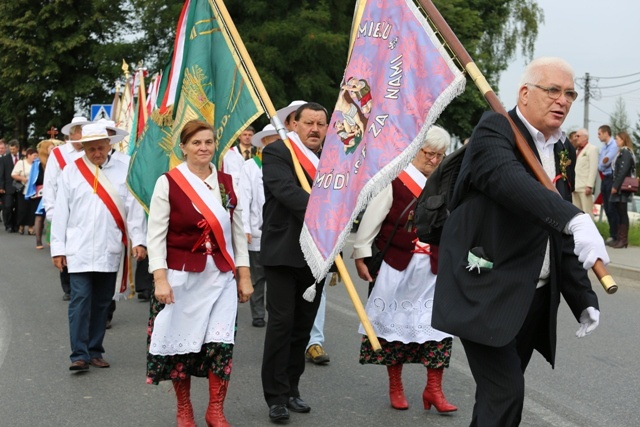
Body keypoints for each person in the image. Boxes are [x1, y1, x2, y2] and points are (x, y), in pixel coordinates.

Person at [432, 57, 607, 426]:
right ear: (524, 93)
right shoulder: (494, 129)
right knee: (505, 393)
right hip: (487, 289)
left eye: (570, 93)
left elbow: (558, 238)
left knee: (495, 399)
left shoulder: (562, 150)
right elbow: (506, 179)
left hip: (534, 296)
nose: (563, 100)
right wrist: (573, 217)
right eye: (553, 90)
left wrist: (582, 298)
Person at [146, 120, 252, 427]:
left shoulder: (227, 182)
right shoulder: (169, 182)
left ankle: (215, 410)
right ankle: (184, 409)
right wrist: (160, 278)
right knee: (183, 346)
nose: (203, 148)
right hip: (182, 277)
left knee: (221, 345)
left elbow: (237, 232)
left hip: (220, 277)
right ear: (183, 147)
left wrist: (244, 276)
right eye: (196, 143)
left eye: (208, 142)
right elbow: (156, 235)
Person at [353, 125, 457, 412]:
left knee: (438, 327)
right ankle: (396, 386)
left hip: (433, 269)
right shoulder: (395, 179)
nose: (435, 160)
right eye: (429, 153)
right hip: (397, 267)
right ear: (415, 151)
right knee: (393, 329)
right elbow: (373, 218)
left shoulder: (445, 184)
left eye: (440, 155)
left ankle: (434, 389)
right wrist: (362, 254)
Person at [51, 123, 147, 372]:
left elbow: (134, 210)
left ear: (109, 146)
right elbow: (61, 212)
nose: (96, 153)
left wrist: (139, 240)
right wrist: (58, 248)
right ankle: (79, 355)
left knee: (102, 303)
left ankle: (95, 350)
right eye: (91, 148)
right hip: (79, 249)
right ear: (82, 148)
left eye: (101, 147)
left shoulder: (124, 169)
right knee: (80, 300)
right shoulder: (71, 172)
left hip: (110, 246)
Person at [260, 102, 328, 422]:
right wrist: (324, 210)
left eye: (321, 124)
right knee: (281, 324)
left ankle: (291, 389)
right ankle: (275, 396)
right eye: (309, 123)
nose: (315, 129)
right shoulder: (277, 152)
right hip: (283, 252)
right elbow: (285, 190)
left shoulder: (331, 161)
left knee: (302, 326)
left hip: (317, 255)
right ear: (294, 124)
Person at [43, 116, 88, 301]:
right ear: (73, 133)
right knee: (66, 246)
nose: (84, 135)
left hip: (83, 208)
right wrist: (51, 211)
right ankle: (68, 286)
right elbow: (50, 184)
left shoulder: (90, 152)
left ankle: (83, 283)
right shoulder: (59, 154)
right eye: (81, 131)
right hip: (63, 209)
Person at [239, 124, 279, 328]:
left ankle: (275, 313)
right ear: (263, 142)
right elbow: (243, 199)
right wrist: (244, 226)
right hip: (257, 231)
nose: (277, 143)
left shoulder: (284, 165)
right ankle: (257, 315)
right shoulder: (251, 167)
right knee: (258, 276)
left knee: (276, 278)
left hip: (278, 232)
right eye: (273, 139)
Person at [25, 140, 56, 248]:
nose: (53, 150)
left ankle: (52, 240)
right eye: (51, 148)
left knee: (54, 216)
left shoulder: (56, 160)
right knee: (39, 216)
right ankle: (38, 241)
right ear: (45, 150)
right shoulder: (37, 163)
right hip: (40, 193)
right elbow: (35, 179)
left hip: (54, 191)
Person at [609, 131, 636, 249]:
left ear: (623, 140)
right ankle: (620, 238)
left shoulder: (625, 152)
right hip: (620, 187)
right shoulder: (621, 152)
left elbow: (623, 171)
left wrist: (616, 186)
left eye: (617, 139)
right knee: (619, 212)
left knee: (622, 213)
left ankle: (623, 239)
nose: (616, 141)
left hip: (622, 188)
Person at [598, 124, 620, 244]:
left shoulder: (613, 146)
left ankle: (615, 236)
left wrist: (602, 164)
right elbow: (601, 162)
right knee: (606, 207)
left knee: (612, 208)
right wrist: (602, 163)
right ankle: (613, 235)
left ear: (606, 133)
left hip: (611, 177)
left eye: (599, 133)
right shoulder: (604, 147)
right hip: (605, 178)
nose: (598, 136)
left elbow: (606, 161)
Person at [572, 128, 599, 219]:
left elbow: (593, 168)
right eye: (576, 136)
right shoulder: (576, 151)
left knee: (587, 212)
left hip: (584, 186)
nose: (576, 138)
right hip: (575, 186)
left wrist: (590, 185)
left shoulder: (592, 149)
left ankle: (591, 232)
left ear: (585, 137)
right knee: (576, 213)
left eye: (578, 136)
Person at [11, 148, 38, 235]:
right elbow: (13, 174)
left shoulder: (37, 164)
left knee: (32, 209)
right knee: (22, 209)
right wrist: (22, 178)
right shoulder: (21, 163)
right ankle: (21, 226)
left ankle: (31, 227)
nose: (35, 157)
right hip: (23, 189)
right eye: (34, 155)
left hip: (34, 190)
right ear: (29, 155)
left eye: (36, 156)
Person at [0, 140, 22, 232]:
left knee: (18, 207)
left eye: (14, 149)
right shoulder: (4, 159)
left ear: (18, 148)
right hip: (8, 187)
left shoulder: (23, 158)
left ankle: (16, 224)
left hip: (20, 186)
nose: (12, 151)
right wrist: (1, 187)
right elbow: (1, 173)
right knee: (8, 206)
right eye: (10, 149)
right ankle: (8, 225)